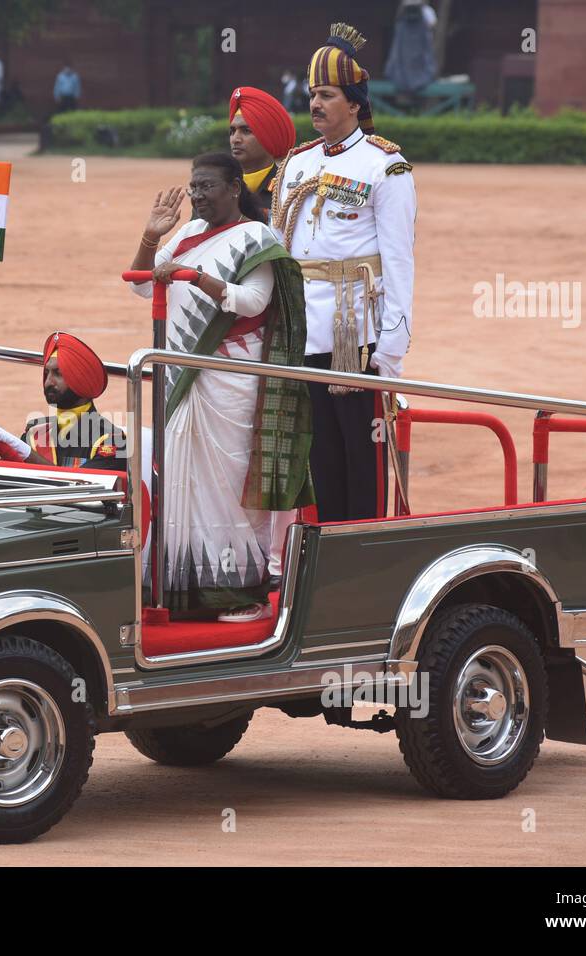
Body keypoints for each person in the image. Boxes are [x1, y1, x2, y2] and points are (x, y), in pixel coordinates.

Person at [128, 152, 314, 622]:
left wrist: (199, 277)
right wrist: (152, 236)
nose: (197, 196)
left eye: (207, 186)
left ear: (235, 188)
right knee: (181, 480)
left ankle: (245, 593)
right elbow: (141, 284)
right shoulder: (188, 234)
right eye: (193, 188)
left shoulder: (258, 237)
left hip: (231, 377)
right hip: (183, 376)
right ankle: (185, 589)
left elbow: (253, 302)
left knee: (232, 483)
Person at [271, 21, 417, 525]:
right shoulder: (296, 163)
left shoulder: (384, 166)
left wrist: (392, 344)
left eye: (327, 94)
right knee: (322, 458)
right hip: (304, 330)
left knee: (365, 456)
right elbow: (281, 247)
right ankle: (332, 555)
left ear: (354, 104)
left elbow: (399, 259)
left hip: (356, 331)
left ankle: (367, 551)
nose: (315, 103)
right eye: (312, 93)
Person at [0, 332, 128, 471]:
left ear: (82, 379)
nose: (48, 382)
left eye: (58, 373)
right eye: (47, 372)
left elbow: (77, 490)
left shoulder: (113, 440)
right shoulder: (35, 433)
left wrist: (25, 453)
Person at [228, 86, 295, 223]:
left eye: (246, 131)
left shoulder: (289, 192)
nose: (235, 139)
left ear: (269, 137)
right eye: (232, 131)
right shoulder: (217, 188)